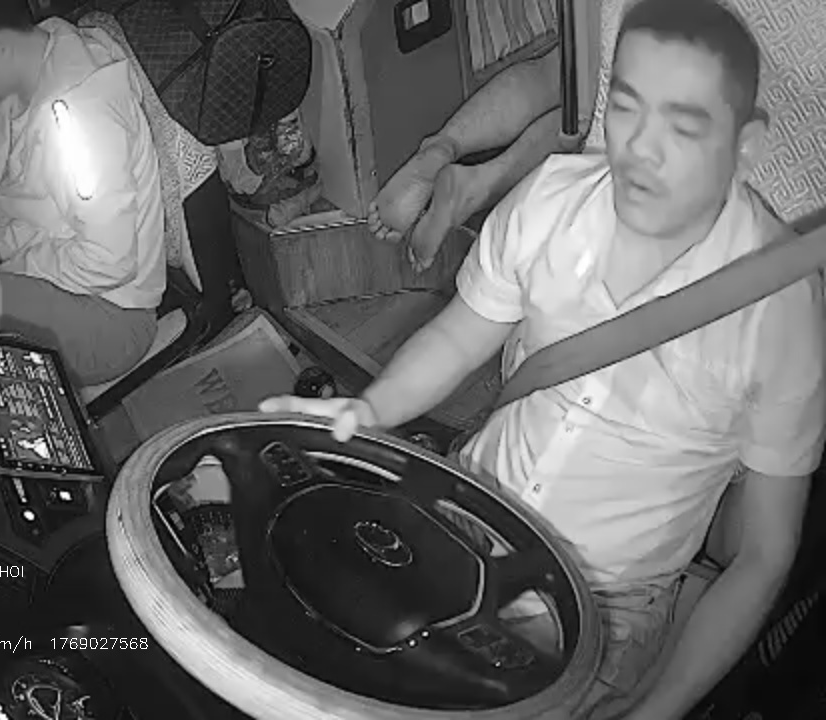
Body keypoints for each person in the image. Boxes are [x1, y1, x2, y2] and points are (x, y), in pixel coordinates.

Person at [263, 1, 826, 717]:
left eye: (683, 126)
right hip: (468, 505)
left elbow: (765, 555)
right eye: (627, 108)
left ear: (746, 145)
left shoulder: (781, 309)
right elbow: (458, 337)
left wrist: (659, 709)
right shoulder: (554, 200)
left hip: (606, 600)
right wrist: (369, 409)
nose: (641, 151)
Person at [368, 0, 826, 269]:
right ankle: (480, 183)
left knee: (567, 77)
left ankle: (445, 149)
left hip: (601, 192)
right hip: (739, 230)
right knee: (592, 100)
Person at [0, 0, 165, 386]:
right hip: (45, 252)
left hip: (107, 314)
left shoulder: (83, 123)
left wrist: (3, 267)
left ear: (0, 48)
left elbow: (108, 262)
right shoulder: (26, 64)